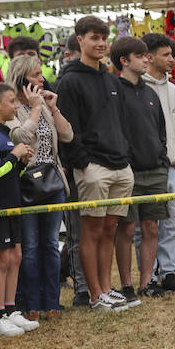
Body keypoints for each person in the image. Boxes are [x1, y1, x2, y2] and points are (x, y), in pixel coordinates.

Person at [57, 16, 135, 311]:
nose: (101, 43)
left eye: (104, 38)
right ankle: (94, 295)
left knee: (109, 230)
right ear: (80, 40)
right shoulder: (69, 80)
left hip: (119, 165)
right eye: (94, 38)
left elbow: (121, 123)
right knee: (90, 232)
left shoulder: (112, 79)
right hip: (92, 168)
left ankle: (106, 288)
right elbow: (67, 129)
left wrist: (124, 156)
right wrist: (83, 164)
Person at [5, 56, 71, 320]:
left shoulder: (43, 104)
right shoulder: (11, 107)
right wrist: (33, 108)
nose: (42, 79)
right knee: (30, 247)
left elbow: (68, 135)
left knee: (50, 243)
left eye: (41, 74)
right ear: (22, 79)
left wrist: (52, 109)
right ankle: (31, 305)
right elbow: (19, 137)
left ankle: (52, 303)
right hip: (26, 184)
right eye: (35, 75)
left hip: (53, 183)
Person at [111, 37, 167, 303]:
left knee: (151, 228)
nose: (147, 59)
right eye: (141, 55)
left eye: (147, 55)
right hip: (126, 170)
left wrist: (162, 156)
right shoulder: (113, 90)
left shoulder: (150, 92)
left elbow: (160, 131)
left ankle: (147, 282)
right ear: (124, 60)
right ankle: (126, 284)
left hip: (155, 169)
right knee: (126, 228)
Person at [0, 82, 37, 336]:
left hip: (13, 203)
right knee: (2, 260)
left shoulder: (5, 132)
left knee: (16, 257)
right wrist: (15, 156)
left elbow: (9, 172)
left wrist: (21, 162)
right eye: (12, 101)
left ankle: (11, 309)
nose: (16, 105)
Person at [140, 34, 175, 292]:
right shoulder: (137, 88)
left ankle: (168, 272)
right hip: (146, 168)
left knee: (172, 222)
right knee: (146, 226)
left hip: (173, 166)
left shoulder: (174, 89)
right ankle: (146, 276)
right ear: (149, 57)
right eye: (166, 54)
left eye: (173, 54)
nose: (172, 59)